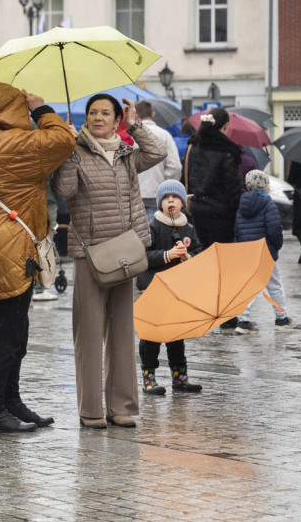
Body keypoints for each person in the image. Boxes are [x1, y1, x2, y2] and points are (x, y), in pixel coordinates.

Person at [0, 82, 76, 432]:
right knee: (9, 334)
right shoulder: (15, 144)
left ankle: (10, 402)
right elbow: (63, 141)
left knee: (14, 329)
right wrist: (41, 109)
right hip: (10, 245)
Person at [53, 94, 165, 429]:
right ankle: (91, 410)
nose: (97, 117)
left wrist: (136, 125)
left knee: (121, 331)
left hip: (126, 252)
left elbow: (157, 152)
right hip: (90, 252)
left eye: (105, 113)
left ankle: (121, 406)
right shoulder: (76, 151)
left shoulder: (128, 155)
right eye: (92, 112)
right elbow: (63, 189)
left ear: (117, 120)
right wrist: (67, 150)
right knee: (89, 333)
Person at [137, 180, 204, 395]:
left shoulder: (189, 228)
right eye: (166, 199)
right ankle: (149, 377)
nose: (171, 201)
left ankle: (180, 378)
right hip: (155, 289)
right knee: (152, 335)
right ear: (160, 204)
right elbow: (143, 256)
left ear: (183, 203)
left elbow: (200, 255)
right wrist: (167, 255)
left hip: (178, 290)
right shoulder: (153, 226)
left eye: (175, 198)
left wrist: (188, 256)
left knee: (177, 334)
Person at [234, 170, 294, 333]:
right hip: (264, 252)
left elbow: (238, 229)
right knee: (274, 285)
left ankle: (243, 321)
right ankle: (281, 318)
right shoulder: (268, 203)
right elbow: (274, 228)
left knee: (248, 285)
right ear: (265, 186)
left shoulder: (242, 204)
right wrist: (276, 245)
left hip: (247, 252)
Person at [183, 108, 246, 248]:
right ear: (226, 125)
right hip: (221, 216)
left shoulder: (193, 146)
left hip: (197, 212)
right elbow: (233, 189)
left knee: (202, 257)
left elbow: (187, 177)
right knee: (220, 258)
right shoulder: (228, 150)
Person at [135, 102, 181, 215]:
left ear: (135, 115)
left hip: (133, 197)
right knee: (156, 230)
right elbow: (175, 166)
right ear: (153, 114)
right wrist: (165, 186)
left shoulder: (129, 136)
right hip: (157, 196)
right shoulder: (165, 135)